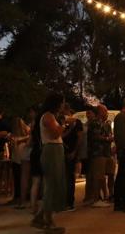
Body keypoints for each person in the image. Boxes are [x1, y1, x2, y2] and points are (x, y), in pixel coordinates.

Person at [31, 92, 72, 233]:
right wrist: (66, 123)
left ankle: (44, 218)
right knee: (51, 185)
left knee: (54, 184)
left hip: (55, 150)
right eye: (62, 103)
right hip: (51, 151)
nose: (63, 106)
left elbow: (58, 134)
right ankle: (46, 220)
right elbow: (55, 134)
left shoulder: (50, 116)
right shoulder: (48, 116)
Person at [86, 104, 113, 208]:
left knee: (109, 174)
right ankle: (96, 198)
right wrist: (107, 139)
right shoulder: (94, 123)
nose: (107, 113)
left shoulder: (106, 124)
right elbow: (96, 136)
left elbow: (108, 135)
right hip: (98, 153)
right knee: (98, 176)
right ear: (100, 112)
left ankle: (109, 195)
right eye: (105, 111)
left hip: (107, 152)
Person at [60, 103, 83, 212]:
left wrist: (74, 152)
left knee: (68, 176)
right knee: (66, 177)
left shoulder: (75, 122)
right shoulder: (62, 121)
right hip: (64, 151)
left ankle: (69, 202)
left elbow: (79, 138)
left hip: (68, 151)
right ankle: (65, 201)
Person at [10, 117, 30, 210]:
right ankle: (23, 198)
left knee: (19, 177)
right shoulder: (25, 134)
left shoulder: (14, 137)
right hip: (24, 156)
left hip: (18, 158)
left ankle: (20, 199)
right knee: (24, 177)